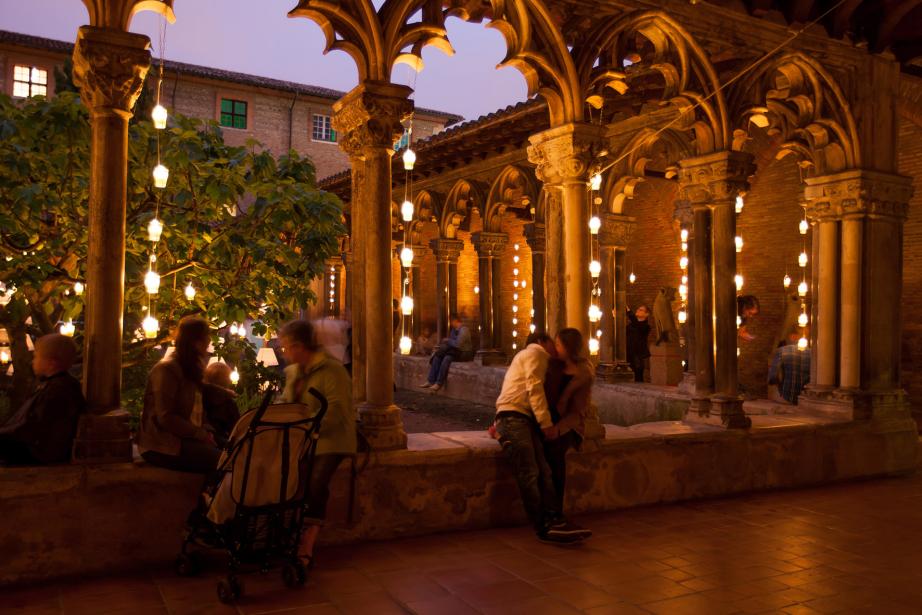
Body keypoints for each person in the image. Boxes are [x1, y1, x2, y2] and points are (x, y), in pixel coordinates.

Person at [493, 332, 590, 543]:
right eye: (553, 343)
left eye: (559, 343)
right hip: (516, 417)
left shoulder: (558, 365)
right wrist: (546, 424)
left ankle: (555, 520)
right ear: (542, 342)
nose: (555, 347)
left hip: (523, 419)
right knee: (530, 472)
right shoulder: (536, 353)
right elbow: (534, 387)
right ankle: (543, 526)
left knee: (544, 471)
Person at [278, 319, 356, 570]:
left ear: (299, 346)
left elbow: (336, 410)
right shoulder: (294, 373)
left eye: (286, 347)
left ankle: (306, 544)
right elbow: (287, 404)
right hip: (303, 439)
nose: (284, 353)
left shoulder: (333, 370)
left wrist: (307, 428)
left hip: (332, 439)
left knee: (316, 482)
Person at [138, 316, 221, 473]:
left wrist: (206, 430)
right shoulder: (167, 369)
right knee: (223, 461)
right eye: (206, 336)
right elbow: (166, 417)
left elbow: (196, 407)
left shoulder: (190, 368)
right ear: (195, 342)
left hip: (185, 438)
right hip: (162, 444)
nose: (209, 341)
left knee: (234, 449)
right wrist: (200, 434)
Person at [0, 334, 85, 465]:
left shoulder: (58, 390)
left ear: (52, 363)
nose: (32, 361)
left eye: (36, 356)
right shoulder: (55, 386)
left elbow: (34, 428)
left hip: (37, 453)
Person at [543, 328, 595, 529]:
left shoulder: (583, 374)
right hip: (551, 421)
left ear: (568, 347)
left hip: (571, 426)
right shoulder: (553, 366)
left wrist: (558, 428)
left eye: (558, 344)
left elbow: (578, 411)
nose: (555, 348)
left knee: (556, 453)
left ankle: (556, 511)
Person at [420, 315, 473, 392]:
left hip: (464, 353)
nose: (451, 324)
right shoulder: (453, 330)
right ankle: (430, 381)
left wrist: (448, 340)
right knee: (438, 356)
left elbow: (458, 344)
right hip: (454, 352)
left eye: (452, 322)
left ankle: (439, 383)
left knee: (447, 358)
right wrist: (448, 342)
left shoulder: (464, 330)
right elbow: (452, 343)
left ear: (455, 321)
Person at [768, 329, 811, 404]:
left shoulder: (782, 350)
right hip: (806, 397)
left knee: (773, 394)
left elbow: (773, 376)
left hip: (787, 396)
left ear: (791, 337)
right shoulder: (812, 353)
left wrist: (777, 384)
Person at [202, 362, 239, 447]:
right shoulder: (229, 403)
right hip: (221, 445)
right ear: (227, 380)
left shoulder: (199, 396)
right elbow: (236, 429)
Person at [625, 305, 651, 382]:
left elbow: (637, 325)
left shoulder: (646, 327)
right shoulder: (630, 325)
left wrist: (629, 312)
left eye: (641, 310)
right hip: (627, 354)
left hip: (637, 356)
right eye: (638, 309)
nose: (638, 310)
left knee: (638, 378)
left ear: (646, 314)